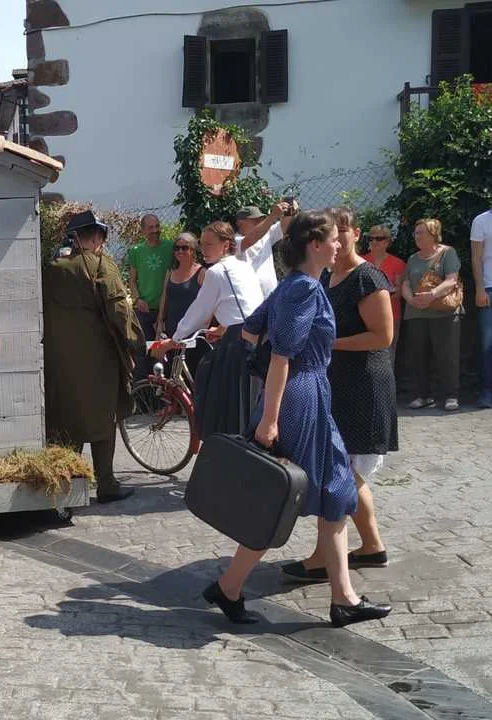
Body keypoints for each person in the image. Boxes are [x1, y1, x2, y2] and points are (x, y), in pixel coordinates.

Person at [204, 209, 391, 627]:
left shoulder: (298, 284)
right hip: (300, 397)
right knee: (282, 495)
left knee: (333, 491)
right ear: (315, 244)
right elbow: (281, 356)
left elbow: (250, 329)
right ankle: (231, 586)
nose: (339, 244)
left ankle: (342, 597)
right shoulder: (303, 288)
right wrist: (269, 419)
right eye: (333, 239)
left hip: (307, 392)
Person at [282, 207, 397, 582]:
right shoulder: (329, 276)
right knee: (343, 470)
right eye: (334, 231)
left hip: (364, 386)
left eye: (344, 230)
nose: (340, 237)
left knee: (342, 472)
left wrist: (328, 343)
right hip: (337, 385)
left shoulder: (368, 277)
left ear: (356, 234)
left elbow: (382, 336)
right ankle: (371, 546)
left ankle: (326, 555)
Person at [43, 211, 144, 503]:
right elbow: (119, 308)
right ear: (98, 237)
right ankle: (107, 483)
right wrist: (135, 342)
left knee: (67, 419)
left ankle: (66, 485)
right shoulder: (100, 264)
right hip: (99, 358)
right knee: (104, 418)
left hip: (59, 359)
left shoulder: (51, 268)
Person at [151, 221, 264, 438]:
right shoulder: (243, 265)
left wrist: (172, 341)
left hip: (239, 341)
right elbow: (246, 306)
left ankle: (218, 441)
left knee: (209, 380)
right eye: (202, 244)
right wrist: (222, 328)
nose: (204, 249)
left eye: (209, 244)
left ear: (226, 245)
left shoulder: (217, 272)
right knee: (248, 403)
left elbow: (199, 312)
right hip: (257, 336)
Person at [400, 218, 463, 411]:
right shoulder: (412, 258)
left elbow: (451, 280)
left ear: (433, 234)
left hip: (444, 313)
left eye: (421, 232)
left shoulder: (447, 253)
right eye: (416, 233)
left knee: (447, 356)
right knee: (418, 356)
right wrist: (410, 299)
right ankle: (423, 396)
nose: (417, 236)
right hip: (416, 313)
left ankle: (451, 395)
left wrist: (431, 295)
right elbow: (406, 283)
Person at [155, 232, 206, 378]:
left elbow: (208, 304)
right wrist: (160, 323)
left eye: (185, 248)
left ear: (193, 250)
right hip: (173, 330)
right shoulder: (171, 272)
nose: (180, 251)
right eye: (177, 248)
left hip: (193, 333)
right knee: (171, 373)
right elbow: (164, 298)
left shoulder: (202, 273)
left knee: (192, 372)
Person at [126, 214, 174, 343]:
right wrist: (138, 300)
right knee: (146, 348)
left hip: (167, 310)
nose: (155, 230)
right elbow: (132, 280)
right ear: (143, 231)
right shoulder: (136, 251)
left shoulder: (171, 247)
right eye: (151, 227)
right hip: (144, 311)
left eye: (157, 226)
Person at [362, 224, 406, 362]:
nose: (374, 241)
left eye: (379, 238)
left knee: (388, 354)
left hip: (390, 315)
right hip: (364, 316)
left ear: (387, 242)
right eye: (371, 238)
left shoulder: (397, 263)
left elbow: (399, 291)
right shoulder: (361, 261)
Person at [235, 201, 297, 297]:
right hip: (249, 295)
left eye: (262, 219)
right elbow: (251, 239)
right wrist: (273, 216)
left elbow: (284, 226)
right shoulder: (235, 241)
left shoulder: (266, 234)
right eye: (256, 220)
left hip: (270, 294)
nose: (261, 222)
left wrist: (290, 211)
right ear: (240, 223)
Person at [471, 207, 492, 408]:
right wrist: (479, 289)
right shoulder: (481, 220)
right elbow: (476, 258)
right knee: (487, 345)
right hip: (489, 288)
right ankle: (486, 392)